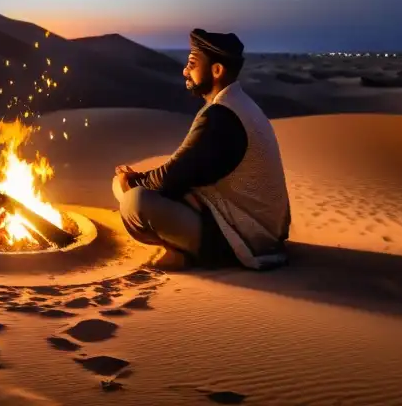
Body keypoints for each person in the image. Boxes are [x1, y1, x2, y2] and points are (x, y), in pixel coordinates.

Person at [112, 29, 291, 271]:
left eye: (192, 64)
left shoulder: (222, 116)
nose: (185, 71)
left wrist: (132, 182)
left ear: (217, 70)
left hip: (246, 238)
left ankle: (186, 252)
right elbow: (189, 171)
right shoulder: (237, 105)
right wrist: (138, 179)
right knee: (132, 188)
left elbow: (173, 176)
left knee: (135, 201)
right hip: (254, 229)